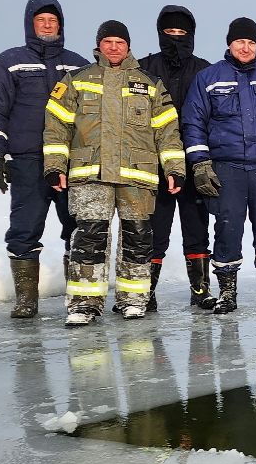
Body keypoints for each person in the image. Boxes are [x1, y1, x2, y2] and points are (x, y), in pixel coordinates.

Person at [41, 20, 188, 324]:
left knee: (137, 238)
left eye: (119, 42)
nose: (113, 47)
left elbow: (168, 132)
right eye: (107, 41)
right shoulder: (76, 80)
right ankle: (84, 304)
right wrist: (55, 167)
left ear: (128, 46)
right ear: (99, 45)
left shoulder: (149, 83)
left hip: (137, 176)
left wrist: (175, 169)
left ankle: (133, 299)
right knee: (89, 238)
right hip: (90, 174)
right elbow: (56, 127)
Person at [180, 17, 256, 313]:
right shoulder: (209, 78)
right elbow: (193, 122)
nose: (245, 47)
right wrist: (200, 163)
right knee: (227, 228)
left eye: (251, 42)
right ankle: (227, 290)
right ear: (229, 43)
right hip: (227, 168)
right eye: (240, 41)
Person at [0, 0, 88, 318]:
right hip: (28, 160)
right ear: (30, 24)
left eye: (52, 20)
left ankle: (79, 296)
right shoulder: (10, 61)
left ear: (61, 25)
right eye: (40, 20)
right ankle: (26, 299)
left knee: (78, 227)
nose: (46, 25)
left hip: (71, 162)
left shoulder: (78, 65)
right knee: (24, 228)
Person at [137, 5, 214, 312]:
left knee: (196, 230)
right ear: (159, 33)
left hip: (195, 163)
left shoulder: (205, 70)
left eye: (182, 33)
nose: (176, 38)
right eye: (170, 32)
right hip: (154, 166)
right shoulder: (142, 68)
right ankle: (146, 291)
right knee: (155, 231)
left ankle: (200, 289)